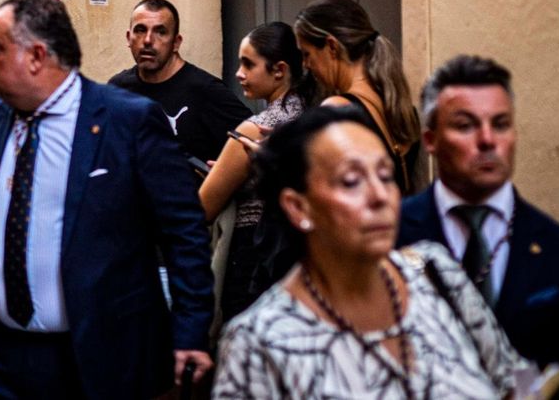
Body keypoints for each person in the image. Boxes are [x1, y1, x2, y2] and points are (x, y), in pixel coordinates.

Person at [0, 0, 214, 399]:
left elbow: (184, 233)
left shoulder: (127, 122)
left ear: (36, 56)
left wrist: (190, 330)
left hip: (98, 360)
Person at [214, 106, 530, 397]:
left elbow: (517, 379)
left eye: (385, 176)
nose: (380, 196)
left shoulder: (435, 273)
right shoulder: (259, 342)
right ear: (298, 207)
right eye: (352, 181)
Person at [398, 55, 559, 397]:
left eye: (501, 124)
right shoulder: (385, 238)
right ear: (430, 140)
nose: (488, 140)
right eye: (465, 125)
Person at [198, 22, 313, 323]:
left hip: (254, 256)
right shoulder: (313, 118)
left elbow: (203, 208)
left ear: (280, 70)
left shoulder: (255, 130)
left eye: (248, 64)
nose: (239, 73)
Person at [294, 0, 425, 195]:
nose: (305, 65)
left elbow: (316, 191)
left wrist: (272, 157)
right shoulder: (402, 110)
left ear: (331, 47)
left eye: (306, 54)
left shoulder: (337, 110)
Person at [108, 0, 252, 166]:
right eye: (140, 30)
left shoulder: (205, 91)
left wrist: (225, 173)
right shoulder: (118, 89)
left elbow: (257, 144)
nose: (147, 40)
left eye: (160, 32)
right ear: (128, 38)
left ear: (176, 43)